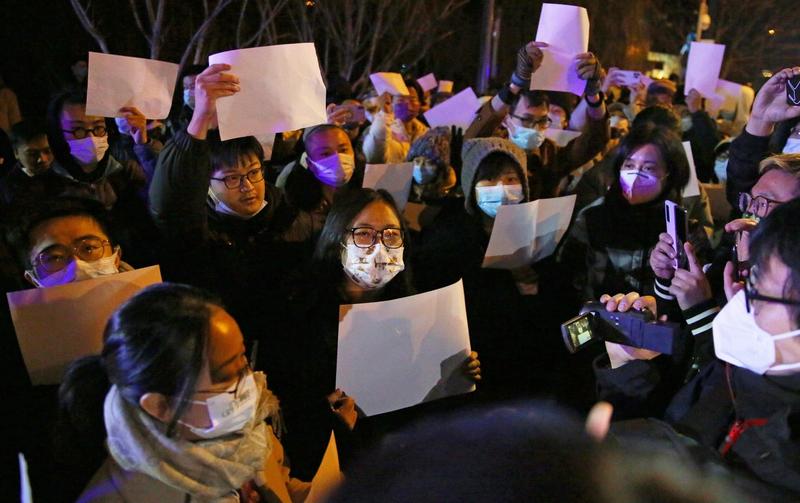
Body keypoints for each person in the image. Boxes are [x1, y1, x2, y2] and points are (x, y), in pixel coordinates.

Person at [595, 198, 800, 501]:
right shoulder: (736, 370)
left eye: (758, 286)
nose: (739, 294)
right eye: (750, 275)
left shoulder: (784, 462)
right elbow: (669, 427)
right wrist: (628, 367)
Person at [274, 188, 479, 479]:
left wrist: (455, 378)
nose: (380, 247)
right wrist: (327, 416)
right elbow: (290, 406)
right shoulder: (301, 310)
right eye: (365, 234)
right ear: (338, 239)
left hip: (399, 467)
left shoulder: (415, 311)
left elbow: (417, 406)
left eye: (391, 234)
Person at [59, 283, 310, 502]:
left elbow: (284, 486)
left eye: (243, 359)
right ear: (160, 406)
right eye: (224, 375)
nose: (249, 383)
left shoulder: (246, 432)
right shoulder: (118, 496)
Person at [149, 63, 304, 381]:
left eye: (252, 173)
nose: (247, 186)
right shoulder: (198, 233)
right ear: (207, 184)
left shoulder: (290, 219)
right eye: (231, 178)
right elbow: (171, 201)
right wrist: (201, 118)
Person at [412, 137, 577, 400]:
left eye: (511, 179)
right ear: (470, 185)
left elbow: (558, 315)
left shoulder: (543, 233)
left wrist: (531, 287)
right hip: (476, 378)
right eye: (488, 180)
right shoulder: (448, 241)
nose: (501, 188)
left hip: (532, 377)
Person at [559, 124, 707, 301]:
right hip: (600, 320)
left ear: (670, 174)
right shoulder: (593, 217)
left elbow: (700, 292)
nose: (635, 175)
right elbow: (566, 280)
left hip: (658, 324)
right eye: (629, 165)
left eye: (648, 168)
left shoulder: (682, 228)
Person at [466, 41, 609, 200]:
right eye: (527, 120)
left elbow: (595, 140)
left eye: (542, 121)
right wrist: (516, 83)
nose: (535, 128)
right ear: (507, 119)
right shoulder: (489, 148)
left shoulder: (550, 155)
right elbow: (475, 134)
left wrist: (593, 96)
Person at [46, 89, 160, 266]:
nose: (91, 138)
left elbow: (163, 206)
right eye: (78, 130)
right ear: (57, 133)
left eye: (98, 128)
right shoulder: (44, 190)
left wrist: (143, 145)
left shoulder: (125, 174)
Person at [275, 124, 361, 242]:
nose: (338, 159)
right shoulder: (299, 208)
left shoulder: (368, 189)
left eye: (343, 150)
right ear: (310, 164)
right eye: (325, 154)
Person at [0, 119, 64, 208]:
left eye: (47, 151)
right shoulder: (5, 187)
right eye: (32, 154)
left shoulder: (64, 179)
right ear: (16, 153)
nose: (42, 159)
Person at [362, 79, 429, 164]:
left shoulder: (426, 133)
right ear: (391, 102)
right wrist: (384, 116)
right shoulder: (376, 129)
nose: (408, 105)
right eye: (401, 100)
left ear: (420, 103)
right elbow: (374, 157)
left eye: (413, 100)